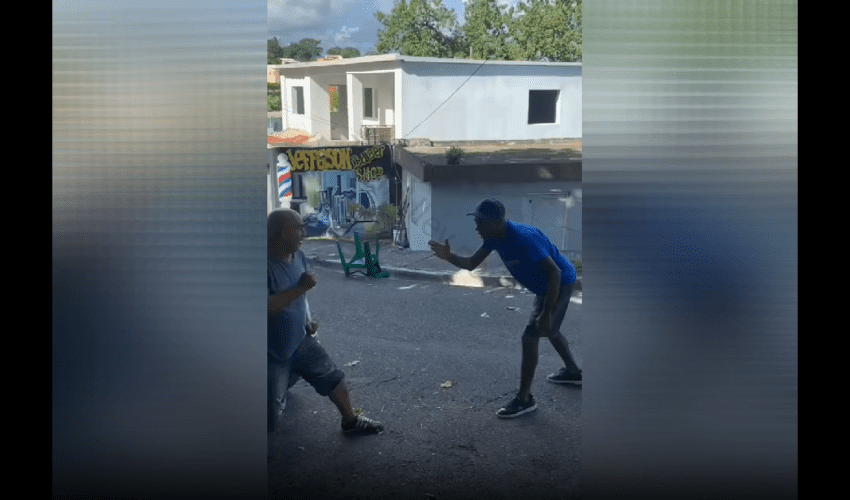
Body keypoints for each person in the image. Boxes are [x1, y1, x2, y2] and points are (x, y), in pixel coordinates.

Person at [429, 198, 581, 418]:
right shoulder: (494, 237)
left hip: (560, 283)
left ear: (495, 222)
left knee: (531, 336)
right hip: (545, 287)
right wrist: (449, 256)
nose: (477, 228)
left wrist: (547, 312)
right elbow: (471, 264)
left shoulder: (523, 238)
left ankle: (525, 399)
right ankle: (573, 372)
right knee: (549, 328)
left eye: (480, 223)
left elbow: (555, 272)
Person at [268, 208, 384, 436]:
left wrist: (307, 320)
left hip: (300, 340)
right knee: (270, 415)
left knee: (333, 378)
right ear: (283, 233)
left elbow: (301, 297)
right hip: (271, 353)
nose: (304, 234)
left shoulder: (298, 256)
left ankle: (350, 420)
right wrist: (300, 288)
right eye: (299, 229)